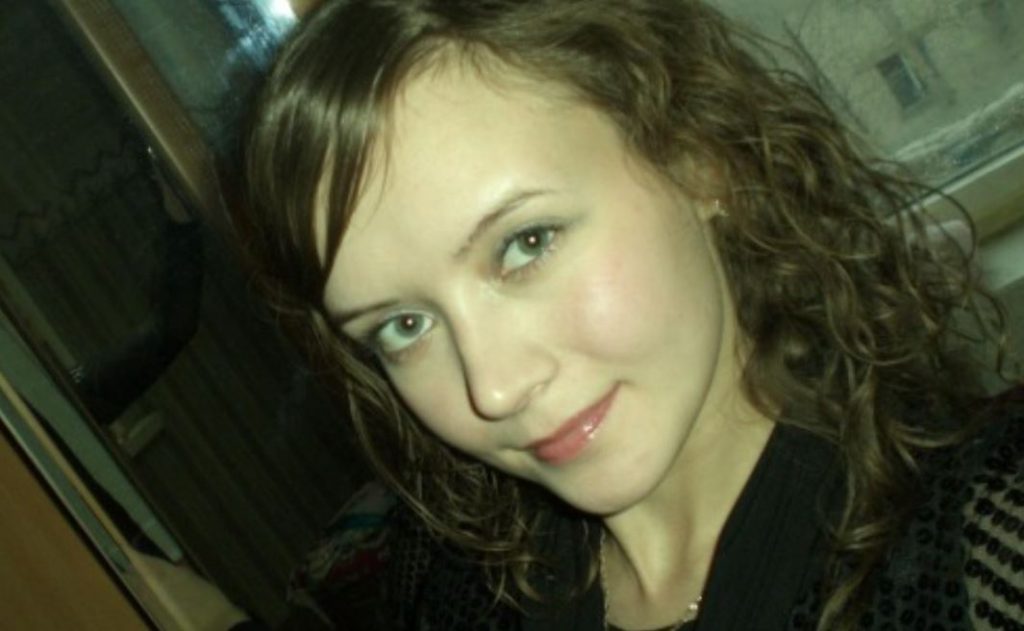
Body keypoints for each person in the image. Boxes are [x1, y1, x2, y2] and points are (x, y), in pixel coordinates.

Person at [228, 1, 1024, 629]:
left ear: (699, 161)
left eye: (526, 243)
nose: (494, 388)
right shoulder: (453, 585)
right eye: (403, 326)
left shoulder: (984, 549)